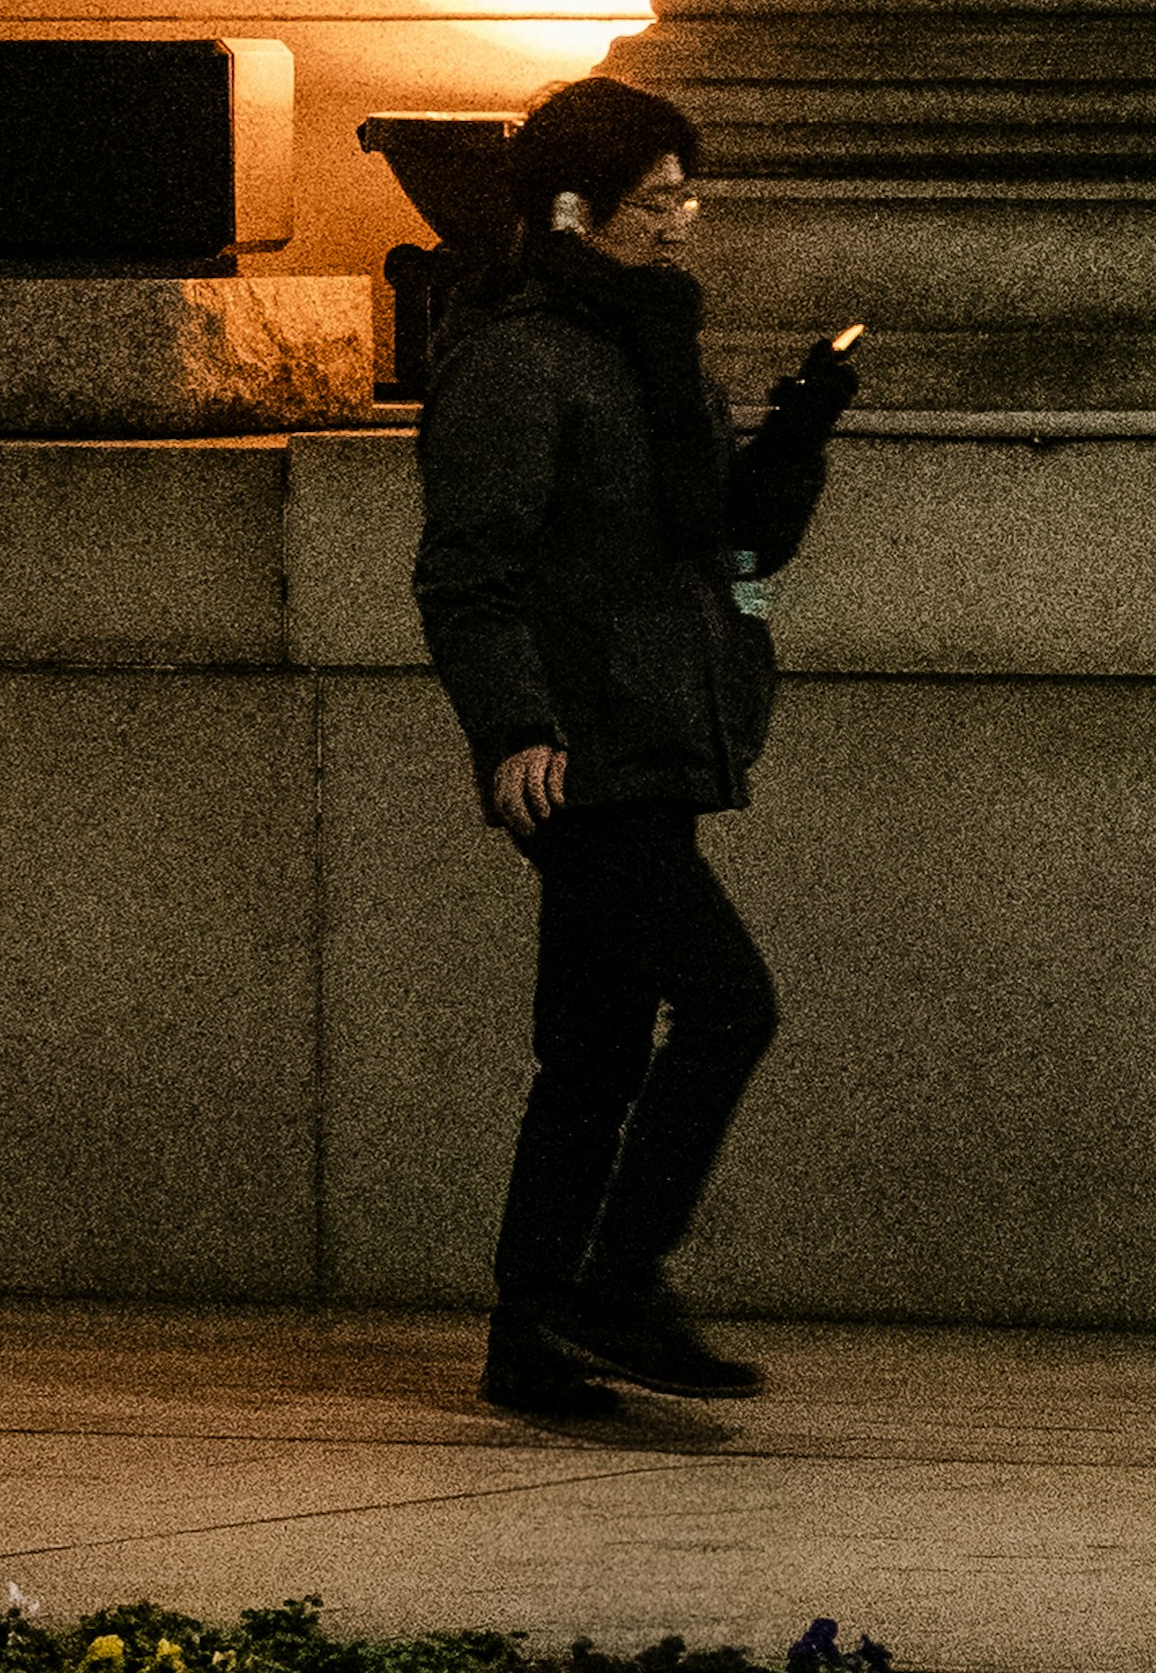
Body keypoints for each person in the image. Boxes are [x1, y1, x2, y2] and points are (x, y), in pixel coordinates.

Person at [411, 69, 861, 1418]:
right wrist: (515, 728)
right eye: (659, 199)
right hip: (585, 756)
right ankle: (615, 1282)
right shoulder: (518, 360)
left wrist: (799, 429)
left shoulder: (647, 347)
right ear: (574, 207)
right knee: (728, 1003)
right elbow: (467, 572)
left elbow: (726, 541)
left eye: (687, 194)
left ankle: (530, 1336)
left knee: (598, 1045)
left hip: (657, 735)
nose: (685, 220)